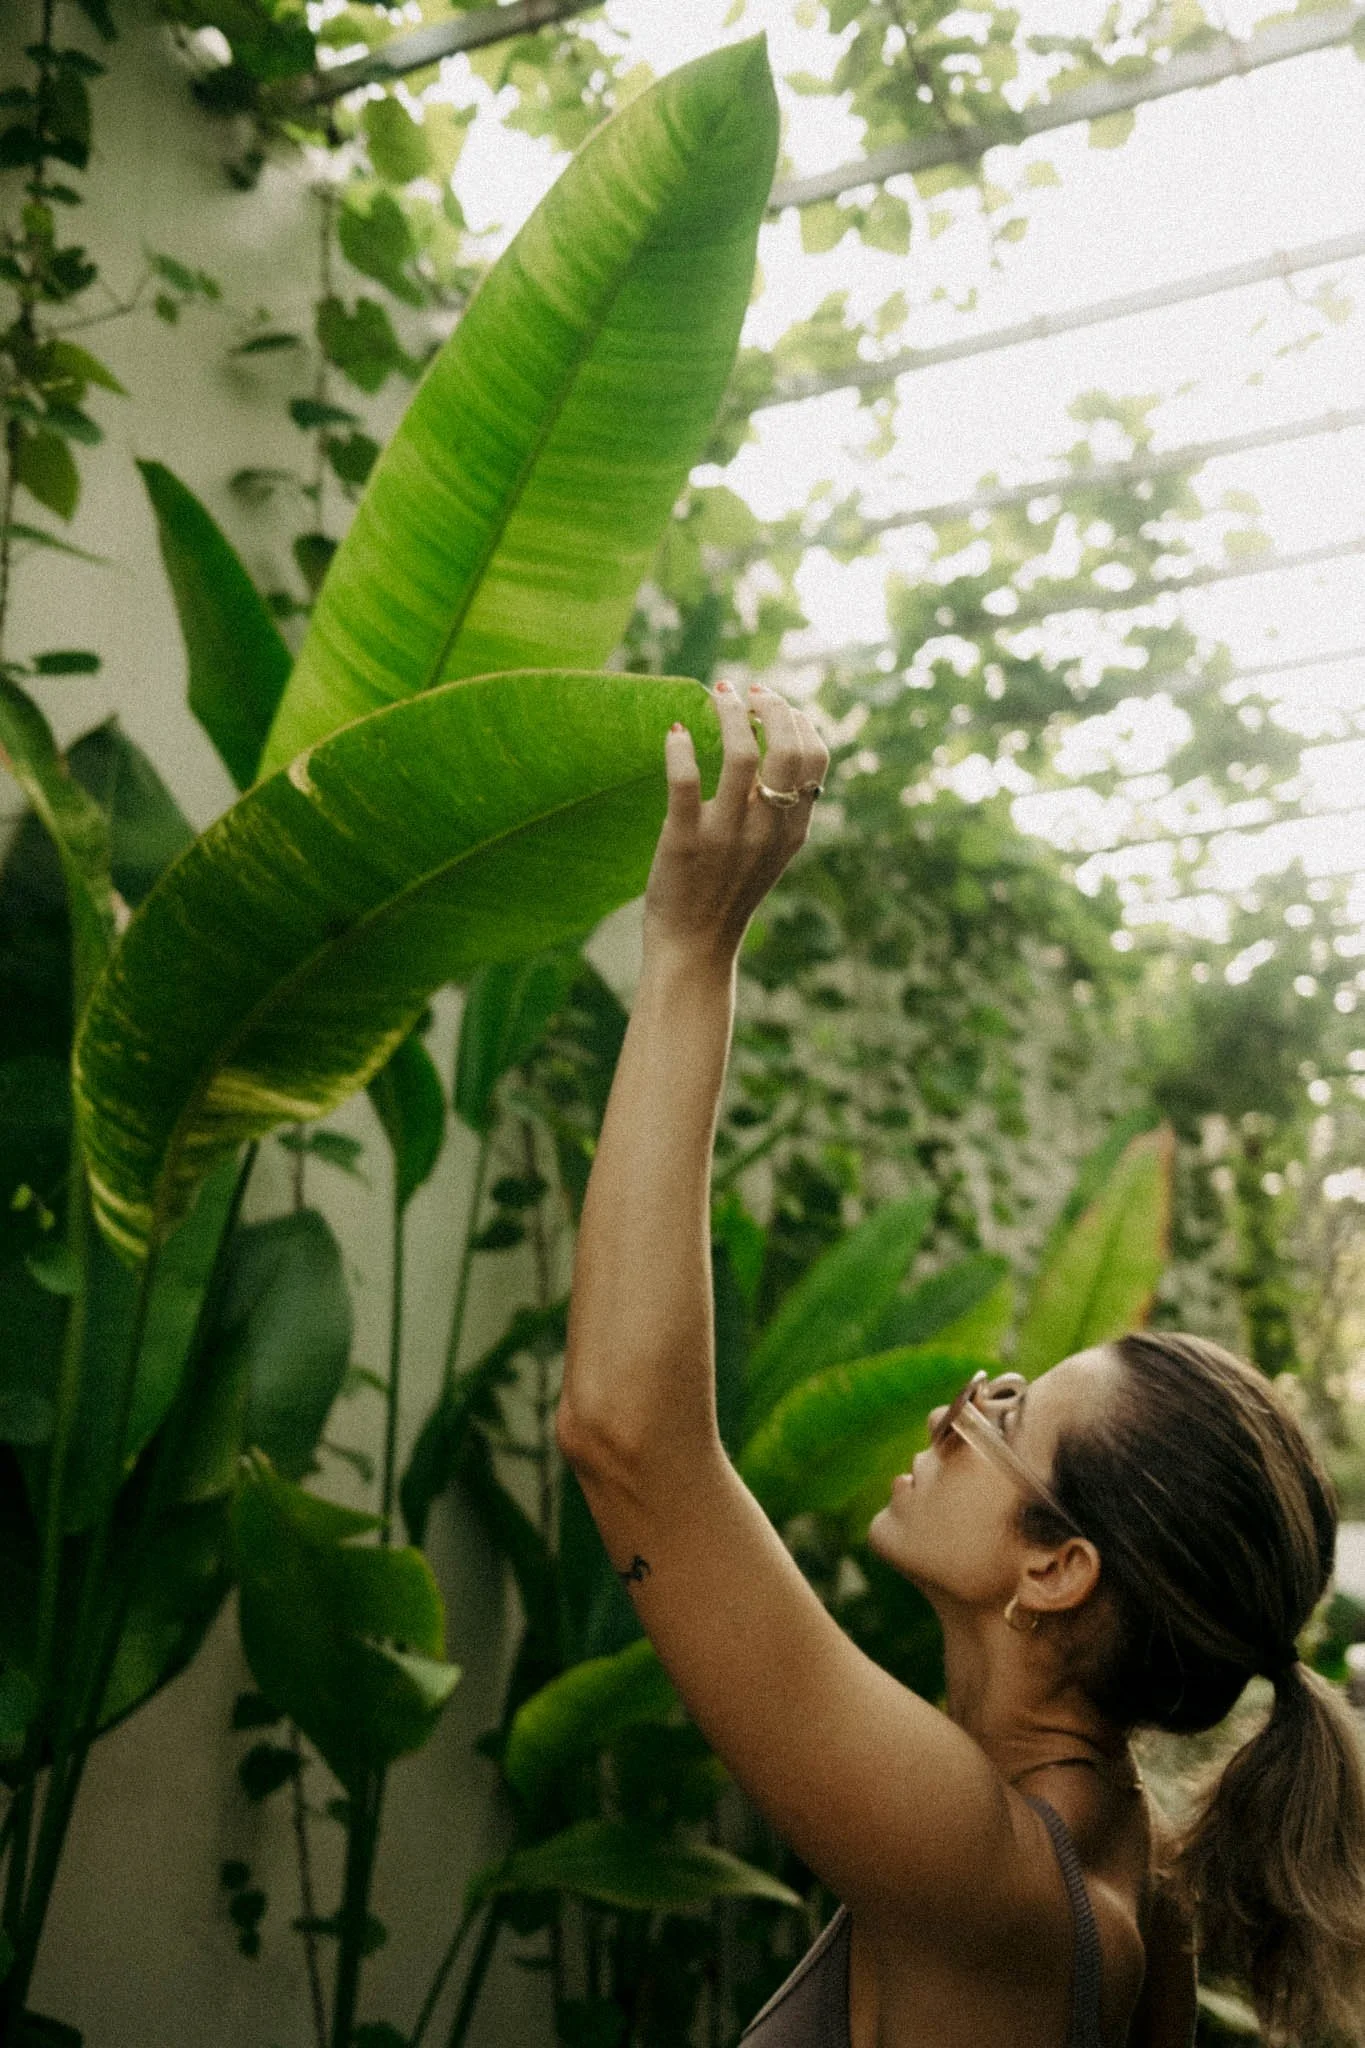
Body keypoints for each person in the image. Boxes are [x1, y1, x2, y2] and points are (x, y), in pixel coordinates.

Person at [556, 676, 1365, 2048]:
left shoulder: (980, 1864)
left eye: (1008, 1413)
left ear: (1057, 1569)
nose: (954, 1409)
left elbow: (627, 1435)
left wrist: (692, 947)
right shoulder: (1122, 1870)